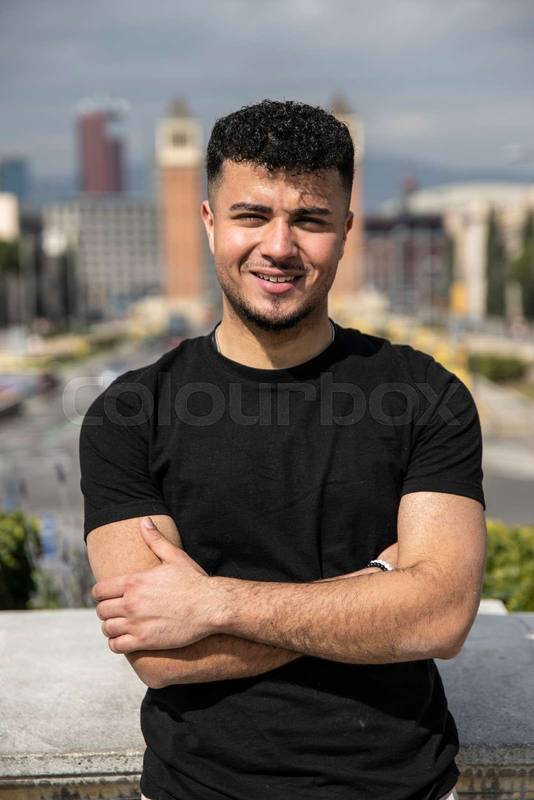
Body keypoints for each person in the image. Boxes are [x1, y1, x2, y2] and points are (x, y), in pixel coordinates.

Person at [80, 100, 486, 800]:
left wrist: (213, 603)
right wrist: (379, 587)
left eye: (309, 219)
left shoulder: (427, 393)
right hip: (197, 788)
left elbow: (442, 618)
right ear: (208, 223)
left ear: (346, 230)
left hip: (403, 785)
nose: (278, 246)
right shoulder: (128, 412)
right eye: (251, 216)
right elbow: (159, 653)